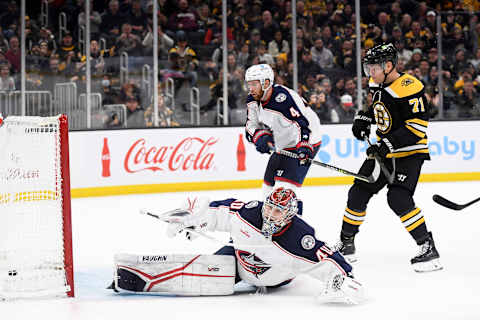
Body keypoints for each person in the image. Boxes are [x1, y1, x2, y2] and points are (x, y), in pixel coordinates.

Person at [109, 188, 365, 304]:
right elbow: (216, 210)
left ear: (289, 215)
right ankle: (134, 277)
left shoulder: (299, 238)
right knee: (207, 269)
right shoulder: (249, 213)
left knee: (216, 270)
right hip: (239, 258)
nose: (270, 214)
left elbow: (328, 257)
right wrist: (192, 220)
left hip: (271, 277)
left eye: (277, 212)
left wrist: (343, 278)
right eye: (269, 207)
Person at [334, 43, 442, 273]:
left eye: (373, 67)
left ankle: (427, 247)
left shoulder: (410, 87)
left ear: (389, 66)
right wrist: (363, 117)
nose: (369, 72)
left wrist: (387, 144)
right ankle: (346, 244)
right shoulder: (377, 83)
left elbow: (417, 127)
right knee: (358, 192)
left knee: (398, 199)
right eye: (368, 67)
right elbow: (377, 108)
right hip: (384, 150)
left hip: (409, 153)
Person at [244, 64, 322, 197]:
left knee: (283, 194)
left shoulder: (283, 98)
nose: (250, 89)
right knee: (267, 191)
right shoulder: (252, 100)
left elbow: (303, 124)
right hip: (283, 142)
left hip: (305, 140)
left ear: (266, 83)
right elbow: (250, 126)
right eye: (248, 84)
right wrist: (259, 137)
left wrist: (303, 146)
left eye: (254, 84)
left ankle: (294, 216)